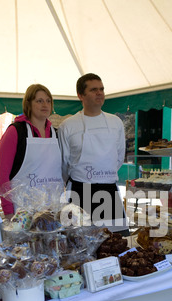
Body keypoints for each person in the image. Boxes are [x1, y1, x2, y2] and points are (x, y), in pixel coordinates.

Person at [58, 73, 128, 235]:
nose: (99, 93)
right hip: (79, 192)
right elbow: (63, 163)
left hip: (109, 191)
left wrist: (102, 174)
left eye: (102, 89)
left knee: (117, 244)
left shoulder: (116, 122)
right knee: (79, 246)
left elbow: (119, 156)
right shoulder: (67, 126)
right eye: (94, 90)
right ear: (80, 95)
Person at [0, 84, 64, 219]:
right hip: (23, 212)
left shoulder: (56, 133)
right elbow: (2, 175)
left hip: (53, 210)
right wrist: (8, 212)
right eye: (39, 101)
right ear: (28, 104)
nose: (45, 104)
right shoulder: (15, 132)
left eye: (48, 101)